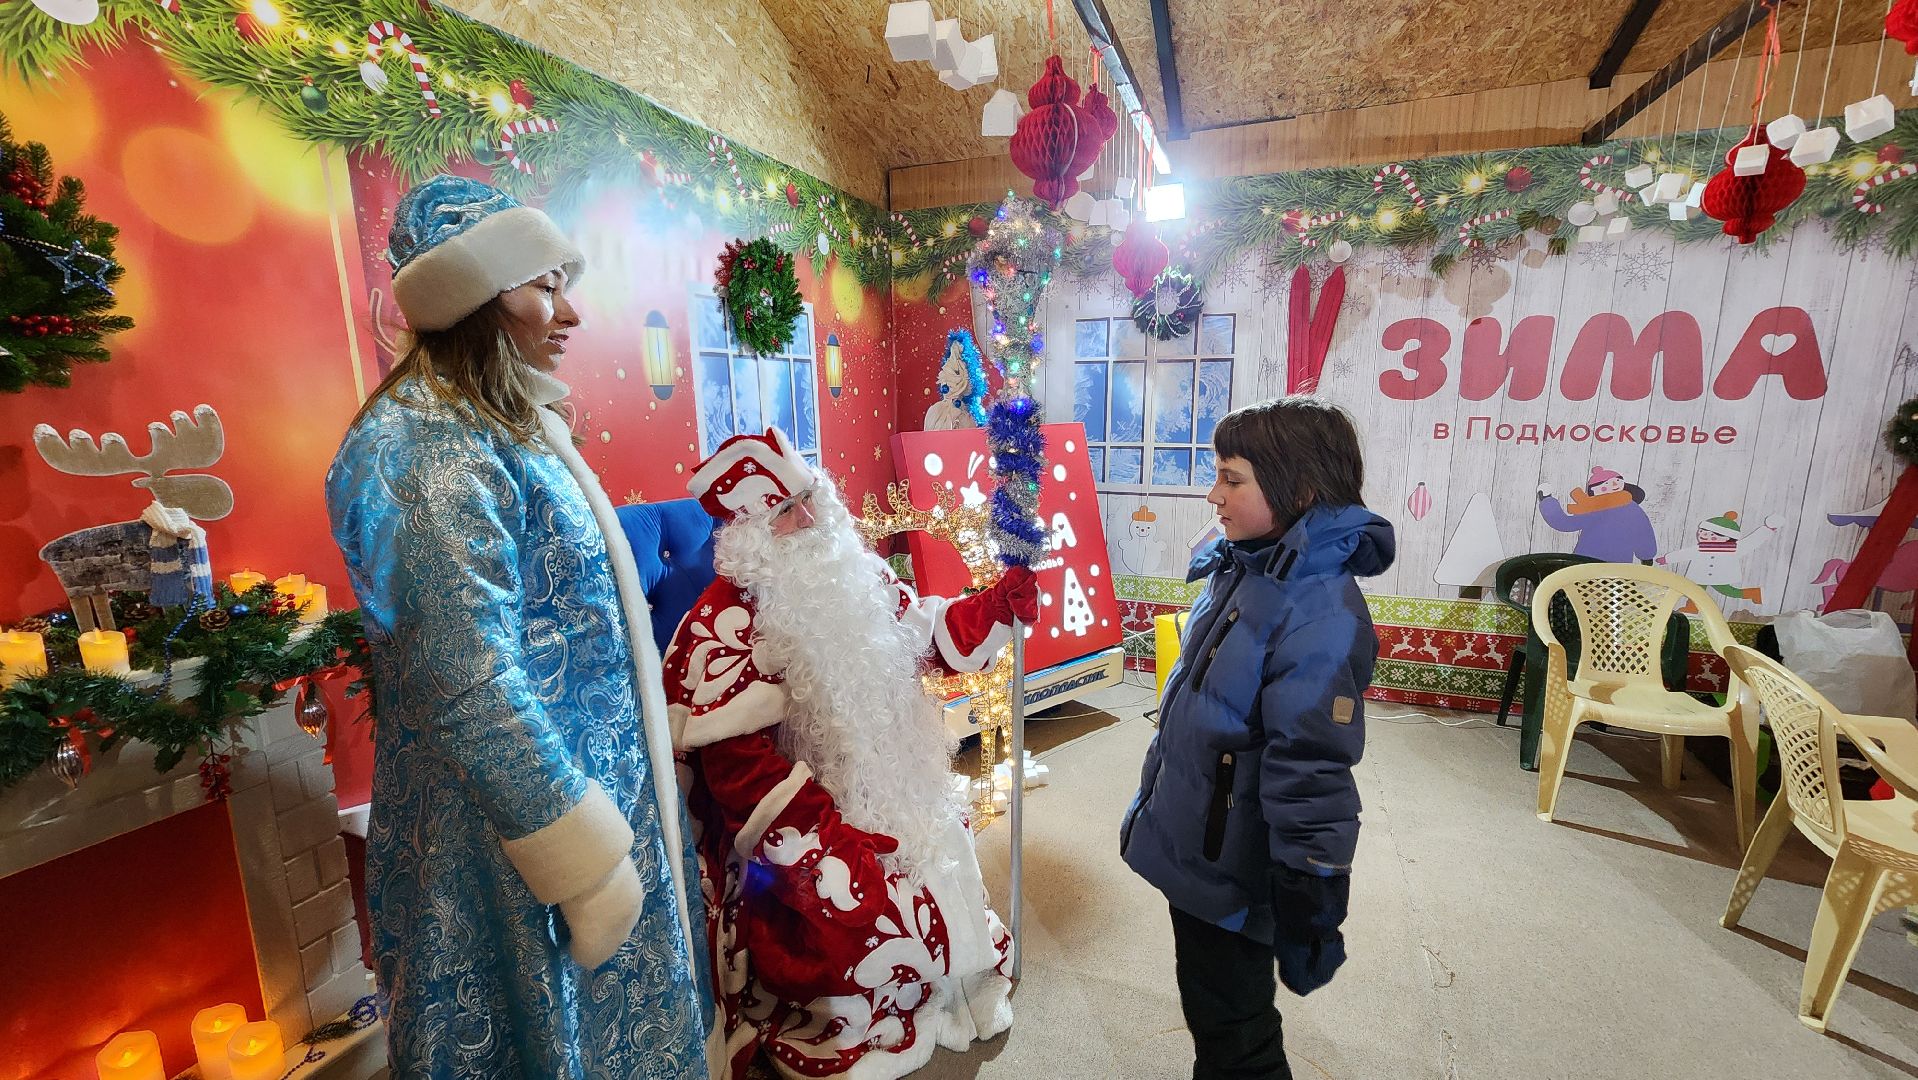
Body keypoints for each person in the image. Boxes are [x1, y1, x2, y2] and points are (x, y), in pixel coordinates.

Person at [325, 175, 710, 1078]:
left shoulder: (499, 427)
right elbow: (466, 679)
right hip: (511, 845)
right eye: (545, 285)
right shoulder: (424, 445)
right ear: (473, 295)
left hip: (579, 811)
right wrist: (583, 866)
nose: (570, 313)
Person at [664, 426, 1037, 1079]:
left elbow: (922, 633)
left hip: (897, 788)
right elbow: (738, 773)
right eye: (786, 512)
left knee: (939, 872)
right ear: (750, 535)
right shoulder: (723, 626)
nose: (810, 519)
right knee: (865, 928)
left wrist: (994, 607)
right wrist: (831, 849)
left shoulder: (855, 574)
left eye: (810, 497)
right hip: (812, 828)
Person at [1121, 397, 1395, 1080]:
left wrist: (1312, 886)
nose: (1213, 495)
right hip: (1205, 848)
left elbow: (1313, 764)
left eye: (1232, 478)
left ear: (1298, 490)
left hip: (1237, 868)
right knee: (1212, 1007)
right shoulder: (1247, 568)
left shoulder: (1319, 614)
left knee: (1236, 1037)